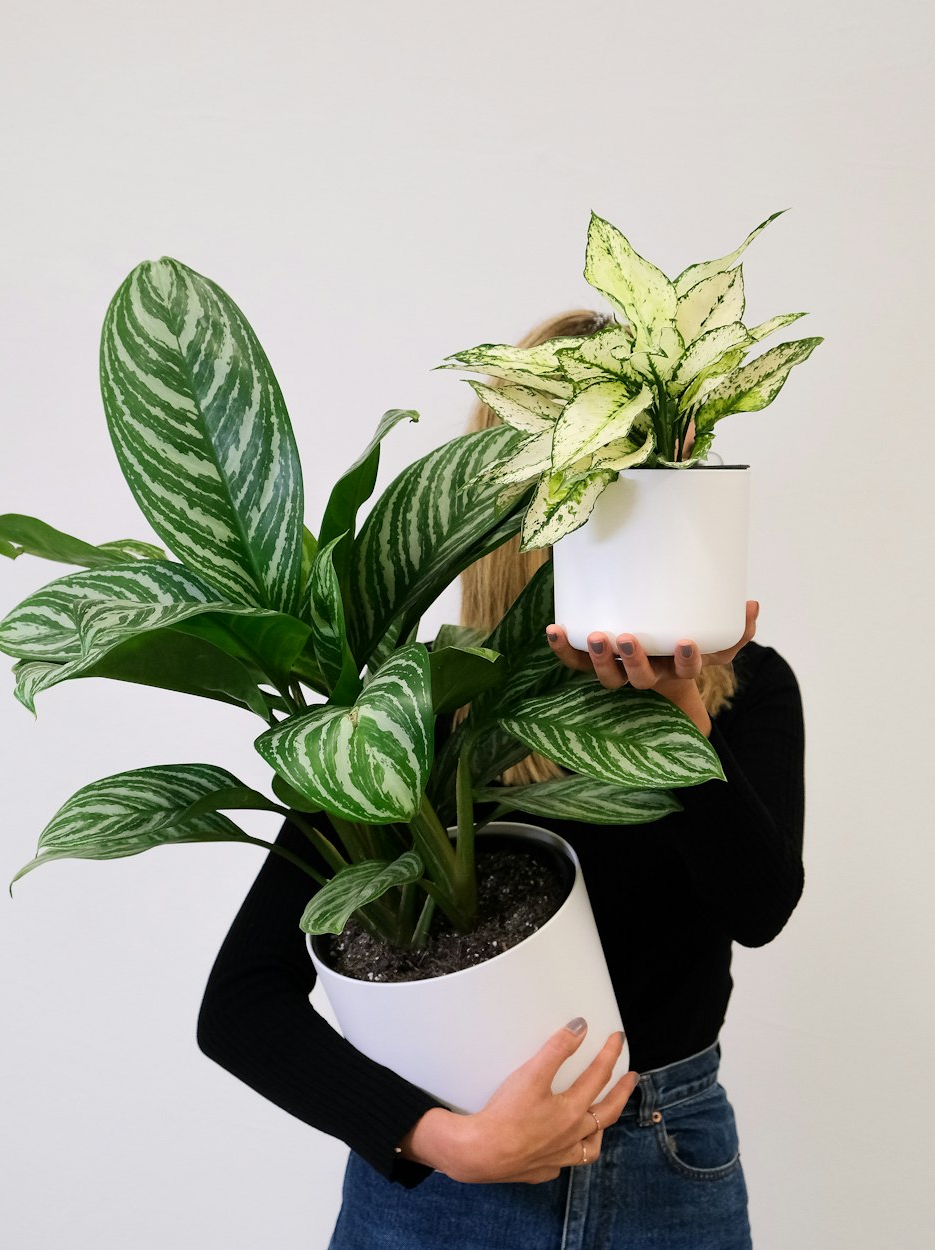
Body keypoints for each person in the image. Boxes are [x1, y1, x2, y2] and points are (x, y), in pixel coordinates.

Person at [196, 310, 806, 1250]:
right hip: (442, 1187)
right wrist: (449, 1141)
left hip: (666, 1165)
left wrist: (680, 722)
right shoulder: (410, 710)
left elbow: (756, 909)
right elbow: (242, 1002)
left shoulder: (746, 688)